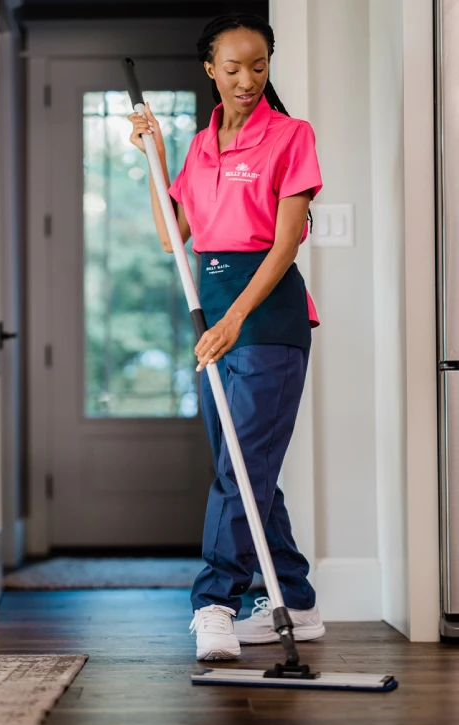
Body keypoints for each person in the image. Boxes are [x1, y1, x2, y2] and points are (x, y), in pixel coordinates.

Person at [128, 12, 325, 661]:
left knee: (241, 467)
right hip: (212, 316)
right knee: (242, 468)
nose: (247, 80)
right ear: (210, 69)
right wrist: (153, 157)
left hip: (265, 319)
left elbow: (286, 240)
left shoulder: (290, 135)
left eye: (259, 66)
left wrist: (236, 317)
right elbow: (170, 237)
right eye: (233, 68)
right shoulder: (201, 145)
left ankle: (215, 601)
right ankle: (292, 599)